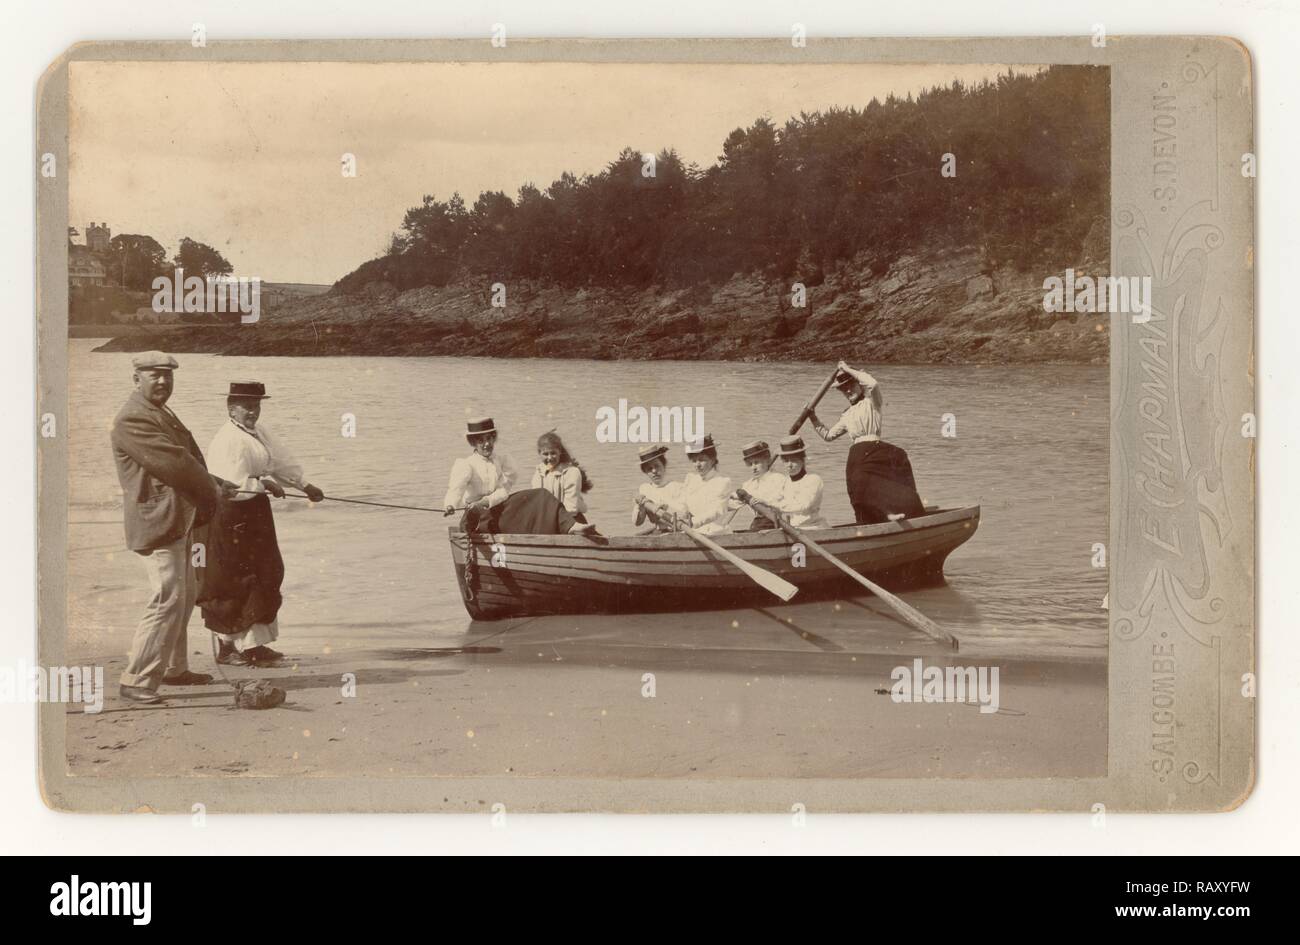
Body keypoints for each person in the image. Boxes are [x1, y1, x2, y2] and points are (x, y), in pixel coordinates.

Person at [109, 351, 235, 704]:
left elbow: (185, 462)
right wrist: (213, 489)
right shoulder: (132, 418)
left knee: (185, 595)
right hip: (158, 520)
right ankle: (136, 678)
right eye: (154, 375)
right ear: (136, 379)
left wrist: (216, 481)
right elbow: (176, 464)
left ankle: (174, 670)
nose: (163, 381)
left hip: (178, 516)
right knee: (168, 597)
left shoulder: (160, 412)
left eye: (167, 375)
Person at [199, 381, 325, 667]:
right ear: (231, 409)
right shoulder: (227, 439)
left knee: (267, 572)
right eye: (246, 407)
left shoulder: (257, 432)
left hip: (254, 511)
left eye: (256, 406)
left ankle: (255, 644)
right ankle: (229, 647)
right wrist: (263, 482)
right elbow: (231, 486)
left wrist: (305, 485)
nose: (252, 412)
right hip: (232, 514)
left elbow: (280, 460)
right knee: (236, 579)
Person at [806, 360, 925, 525]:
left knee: (900, 457)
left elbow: (873, 384)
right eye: (843, 389)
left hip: (876, 448)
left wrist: (847, 368)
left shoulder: (872, 402)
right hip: (857, 454)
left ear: (859, 384)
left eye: (851, 385)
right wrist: (813, 418)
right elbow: (828, 435)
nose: (848, 390)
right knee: (858, 486)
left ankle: (903, 509)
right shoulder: (846, 414)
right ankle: (875, 518)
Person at [443, 417, 594, 535]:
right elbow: (455, 489)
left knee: (540, 495)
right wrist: (450, 505)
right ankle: (566, 527)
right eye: (481, 441)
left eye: (489, 438)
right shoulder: (466, 464)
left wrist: (487, 501)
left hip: (497, 509)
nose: (486, 444)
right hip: (477, 517)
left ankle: (569, 527)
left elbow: (503, 491)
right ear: (473, 443)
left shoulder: (501, 460)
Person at [531, 430, 592, 523]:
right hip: (547, 519)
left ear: (560, 451)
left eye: (553, 453)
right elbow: (538, 503)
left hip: (570, 519)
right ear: (539, 453)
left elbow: (571, 507)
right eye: (545, 454)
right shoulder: (538, 473)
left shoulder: (572, 472)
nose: (550, 458)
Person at [727, 439, 788, 531]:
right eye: (750, 464)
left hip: (777, 525)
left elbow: (786, 504)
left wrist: (765, 501)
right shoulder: (748, 485)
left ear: (767, 460)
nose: (754, 468)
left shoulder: (780, 479)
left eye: (757, 462)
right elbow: (731, 506)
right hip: (757, 526)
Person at [772, 435, 831, 529]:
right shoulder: (784, 482)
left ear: (802, 460)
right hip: (793, 530)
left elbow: (803, 505)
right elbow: (773, 501)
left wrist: (776, 506)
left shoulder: (813, 480)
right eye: (786, 461)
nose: (789, 465)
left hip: (814, 528)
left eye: (794, 460)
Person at [680, 434, 733, 535]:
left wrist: (693, 522)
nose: (697, 465)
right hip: (691, 530)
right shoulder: (690, 480)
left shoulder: (722, 482)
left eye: (701, 460)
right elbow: (683, 505)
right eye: (694, 461)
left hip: (714, 532)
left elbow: (717, 511)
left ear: (712, 459)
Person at [632, 444, 686, 534]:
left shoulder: (678, 487)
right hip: (659, 532)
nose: (654, 471)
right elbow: (637, 523)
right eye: (649, 469)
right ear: (645, 472)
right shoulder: (645, 489)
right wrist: (640, 507)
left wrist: (667, 508)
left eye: (657, 466)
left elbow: (685, 515)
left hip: (679, 532)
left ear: (664, 465)